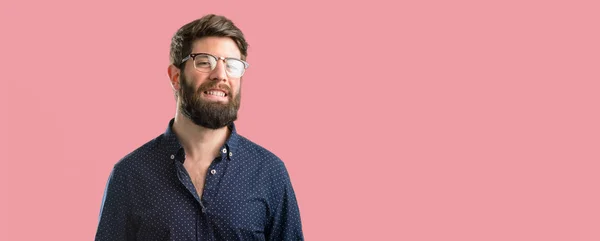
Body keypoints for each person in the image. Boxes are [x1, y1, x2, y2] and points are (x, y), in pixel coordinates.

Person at [95, 14, 304, 241]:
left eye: (232, 66)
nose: (220, 75)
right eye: (205, 62)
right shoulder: (130, 175)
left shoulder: (269, 172)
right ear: (176, 77)